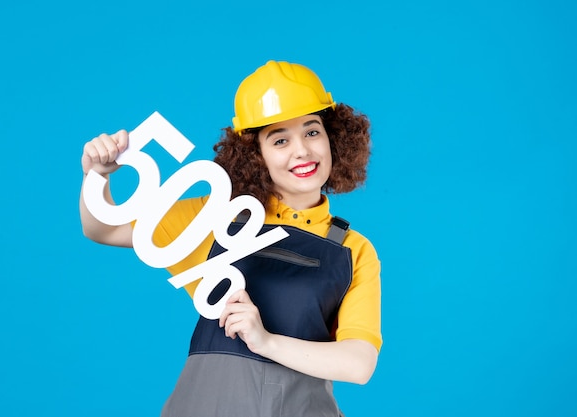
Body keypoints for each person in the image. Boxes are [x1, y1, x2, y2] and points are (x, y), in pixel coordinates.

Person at [79, 60, 382, 417]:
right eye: (280, 139)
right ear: (256, 155)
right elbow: (103, 228)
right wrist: (97, 174)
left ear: (334, 139)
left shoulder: (352, 250)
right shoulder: (216, 214)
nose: (302, 150)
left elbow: (359, 364)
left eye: (312, 132)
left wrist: (265, 341)